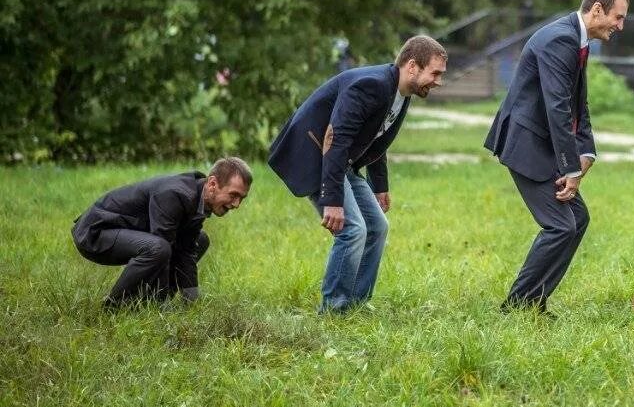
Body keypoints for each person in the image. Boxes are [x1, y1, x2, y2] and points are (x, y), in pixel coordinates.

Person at [268, 35, 447, 313]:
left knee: (378, 227)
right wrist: (333, 199)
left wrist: (380, 186)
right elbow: (335, 139)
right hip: (318, 156)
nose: (438, 81)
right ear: (412, 66)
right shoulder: (370, 86)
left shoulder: (401, 93)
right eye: (435, 73)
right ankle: (334, 309)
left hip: (342, 161)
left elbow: (376, 136)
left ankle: (356, 304)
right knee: (352, 229)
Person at [484, 0, 629, 315]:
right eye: (618, 18)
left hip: (539, 142)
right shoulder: (560, 40)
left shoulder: (576, 40)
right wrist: (570, 169)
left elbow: (579, 104)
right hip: (525, 144)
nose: (620, 26)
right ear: (597, 10)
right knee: (561, 224)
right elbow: (557, 108)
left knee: (577, 218)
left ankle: (533, 300)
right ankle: (517, 305)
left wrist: (587, 152)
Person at [71, 157, 252, 308]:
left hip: (123, 233)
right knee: (159, 248)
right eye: (233, 195)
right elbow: (162, 249)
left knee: (199, 240)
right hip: (95, 233)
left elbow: (187, 250)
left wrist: (192, 301)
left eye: (241, 198)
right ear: (212, 184)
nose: (236, 204)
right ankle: (114, 306)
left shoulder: (199, 198)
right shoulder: (174, 194)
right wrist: (162, 307)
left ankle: (149, 302)